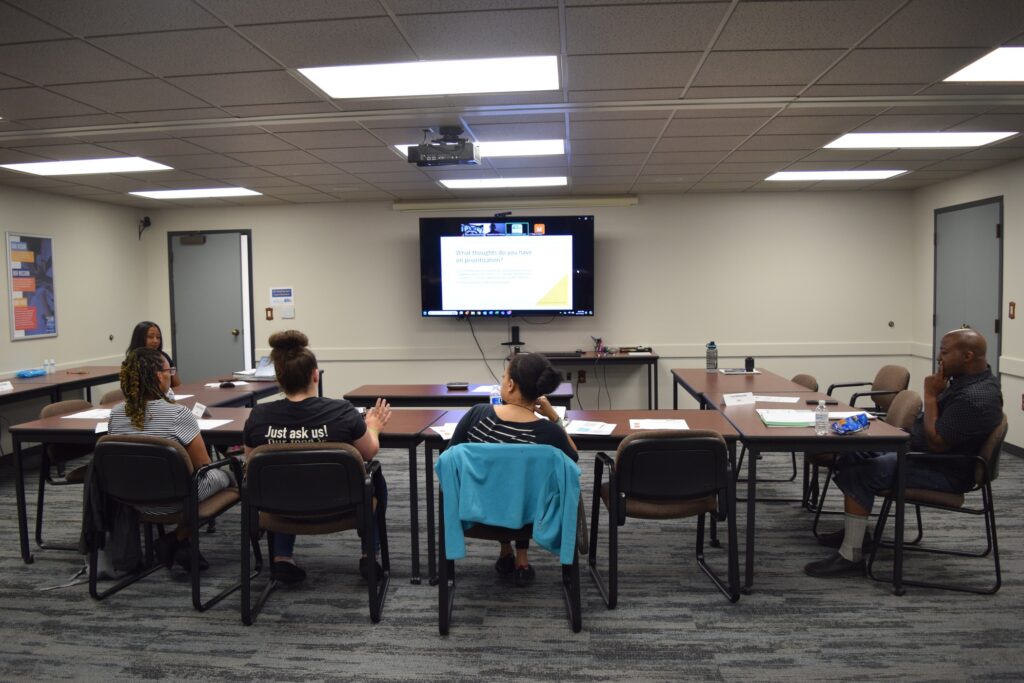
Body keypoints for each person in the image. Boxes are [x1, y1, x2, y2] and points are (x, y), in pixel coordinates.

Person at [805, 328, 1003, 578]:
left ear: (967, 356)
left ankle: (851, 556)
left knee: (864, 471)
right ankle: (857, 532)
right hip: (919, 451)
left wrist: (930, 396)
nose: (938, 358)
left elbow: (937, 444)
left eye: (944, 352)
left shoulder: (976, 397)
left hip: (944, 470)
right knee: (852, 452)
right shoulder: (966, 382)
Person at [242, 330, 392, 585]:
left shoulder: (258, 416)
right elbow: (368, 452)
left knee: (281, 476)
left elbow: (251, 463)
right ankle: (369, 555)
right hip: (341, 508)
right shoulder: (342, 412)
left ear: (279, 379)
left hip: (280, 510)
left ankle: (281, 559)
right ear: (315, 375)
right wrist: (374, 425)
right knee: (375, 478)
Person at [449, 352, 578, 587]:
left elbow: (451, 459)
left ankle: (506, 552)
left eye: (503, 376)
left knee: (499, 478)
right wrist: (553, 418)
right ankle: (520, 558)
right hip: (528, 515)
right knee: (522, 483)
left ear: (510, 384)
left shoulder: (477, 414)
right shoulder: (549, 433)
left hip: (476, 510)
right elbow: (573, 458)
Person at [107, 347, 233, 570]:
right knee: (232, 474)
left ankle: (181, 543)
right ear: (158, 376)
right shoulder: (178, 414)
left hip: (133, 499)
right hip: (176, 501)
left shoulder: (116, 414)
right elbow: (203, 467)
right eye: (170, 370)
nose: (171, 374)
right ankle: (178, 538)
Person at [128, 321, 180, 388]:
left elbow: (178, 385)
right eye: (150, 337)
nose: (155, 341)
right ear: (139, 339)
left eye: (158, 337)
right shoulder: (135, 360)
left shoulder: (163, 356)